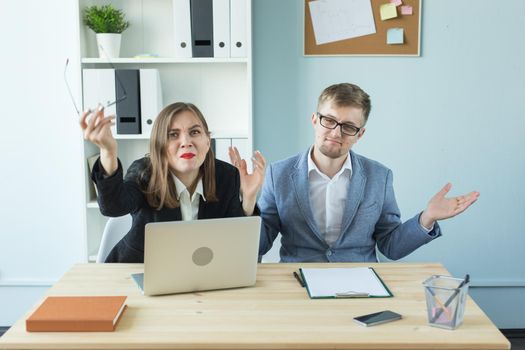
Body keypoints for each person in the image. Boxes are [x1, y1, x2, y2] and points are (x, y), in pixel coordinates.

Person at [253, 83, 479, 262]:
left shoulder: (379, 177)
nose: (336, 132)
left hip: (360, 285)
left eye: (348, 127)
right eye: (329, 120)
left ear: (359, 134)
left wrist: (426, 218)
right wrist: (248, 201)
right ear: (315, 120)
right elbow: (259, 246)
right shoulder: (278, 174)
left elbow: (391, 247)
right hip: (297, 283)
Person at [80, 102, 266, 263]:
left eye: (194, 132)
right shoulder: (144, 173)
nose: (186, 142)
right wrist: (108, 151)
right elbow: (112, 207)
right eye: (173, 135)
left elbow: (237, 247)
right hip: (137, 270)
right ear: (159, 146)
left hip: (200, 280)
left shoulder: (227, 176)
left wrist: (248, 199)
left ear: (208, 141)